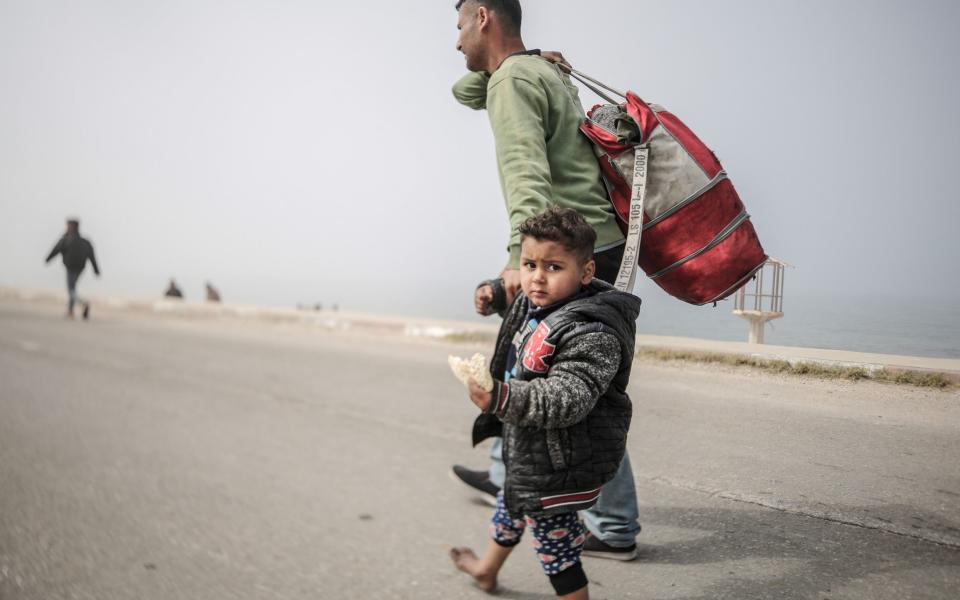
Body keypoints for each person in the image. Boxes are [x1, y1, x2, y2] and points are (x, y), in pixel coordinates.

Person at [450, 0, 642, 560]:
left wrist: (519, 260)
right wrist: (513, 58)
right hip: (592, 243)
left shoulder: (513, 80)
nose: (455, 39)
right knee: (524, 360)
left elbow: (525, 172)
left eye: (460, 25)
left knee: (572, 389)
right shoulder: (536, 71)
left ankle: (613, 524)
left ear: (483, 15)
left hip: (563, 250)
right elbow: (464, 90)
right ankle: (505, 470)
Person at [450, 208, 641, 599]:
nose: (537, 277)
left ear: (586, 272)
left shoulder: (593, 332)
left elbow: (566, 398)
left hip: (560, 462)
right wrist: (493, 290)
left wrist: (500, 397)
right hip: (530, 451)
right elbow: (516, 307)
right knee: (508, 507)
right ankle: (487, 570)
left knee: (559, 554)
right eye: (529, 264)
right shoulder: (537, 301)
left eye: (553, 266)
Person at [44, 218, 100, 320]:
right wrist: (96, 270)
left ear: (71, 226)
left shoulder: (66, 239)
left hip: (71, 268)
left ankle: (82, 303)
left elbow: (56, 250)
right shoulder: (85, 241)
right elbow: (92, 256)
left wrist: (47, 259)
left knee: (71, 289)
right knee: (72, 288)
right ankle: (70, 311)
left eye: (67, 226)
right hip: (80, 268)